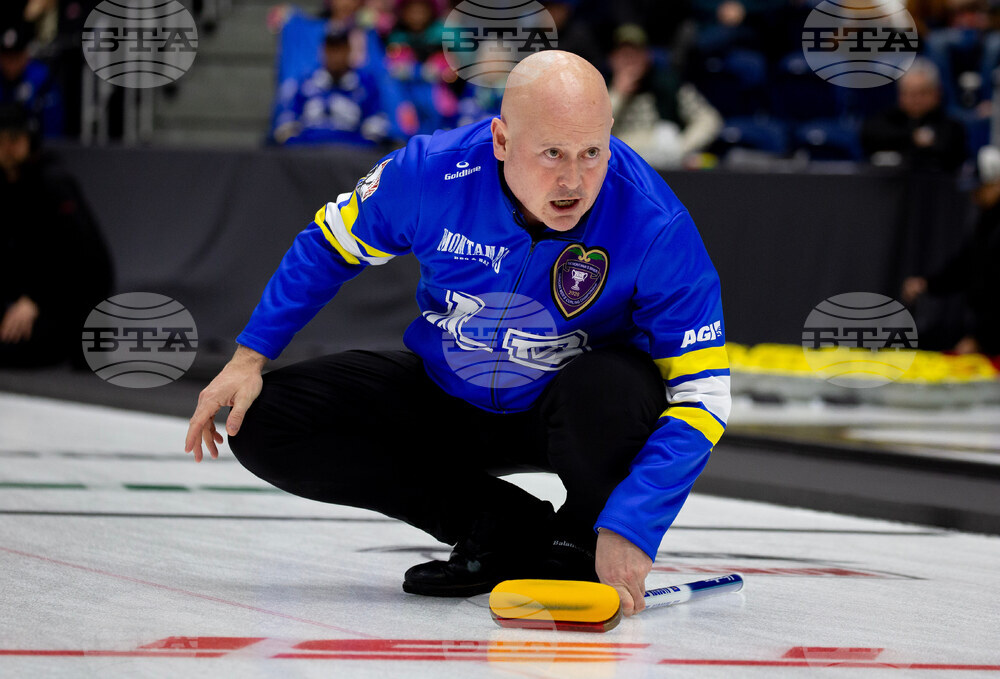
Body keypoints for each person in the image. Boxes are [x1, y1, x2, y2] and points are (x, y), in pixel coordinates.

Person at [185, 51, 730, 617]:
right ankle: (498, 528)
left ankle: (578, 541)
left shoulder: (655, 221)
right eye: (551, 154)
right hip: (448, 391)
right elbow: (329, 244)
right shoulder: (429, 172)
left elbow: (704, 398)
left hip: (570, 409)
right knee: (266, 423)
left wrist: (632, 524)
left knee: (615, 390)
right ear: (500, 140)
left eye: (593, 152)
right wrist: (250, 356)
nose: (574, 180)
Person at [0, 103, 112, 367]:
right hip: (23, 294)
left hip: (67, 299)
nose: (7, 147)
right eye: (1, 139)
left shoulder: (52, 182)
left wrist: (35, 299)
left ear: (29, 140)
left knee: (14, 351)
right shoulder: (5, 184)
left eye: (15, 139)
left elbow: (81, 257)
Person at [607, 24, 723, 169]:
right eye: (624, 55)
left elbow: (709, 119)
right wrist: (618, 93)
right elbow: (594, 130)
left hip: (663, 159)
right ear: (612, 58)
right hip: (620, 161)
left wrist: (682, 148)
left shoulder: (668, 84)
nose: (630, 61)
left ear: (647, 57)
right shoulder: (599, 86)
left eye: (635, 54)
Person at [272, 25, 388, 146]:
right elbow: (286, 121)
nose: (335, 56)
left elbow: (376, 126)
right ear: (323, 51)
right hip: (307, 152)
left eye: (340, 49)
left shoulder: (366, 85)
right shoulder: (305, 83)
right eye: (331, 49)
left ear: (349, 50)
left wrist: (361, 146)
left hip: (350, 154)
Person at [860, 57, 967, 172]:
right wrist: (913, 137)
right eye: (910, 93)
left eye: (922, 93)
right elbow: (869, 135)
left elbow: (949, 150)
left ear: (936, 93)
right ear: (900, 95)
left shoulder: (951, 126)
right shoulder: (887, 119)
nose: (916, 99)